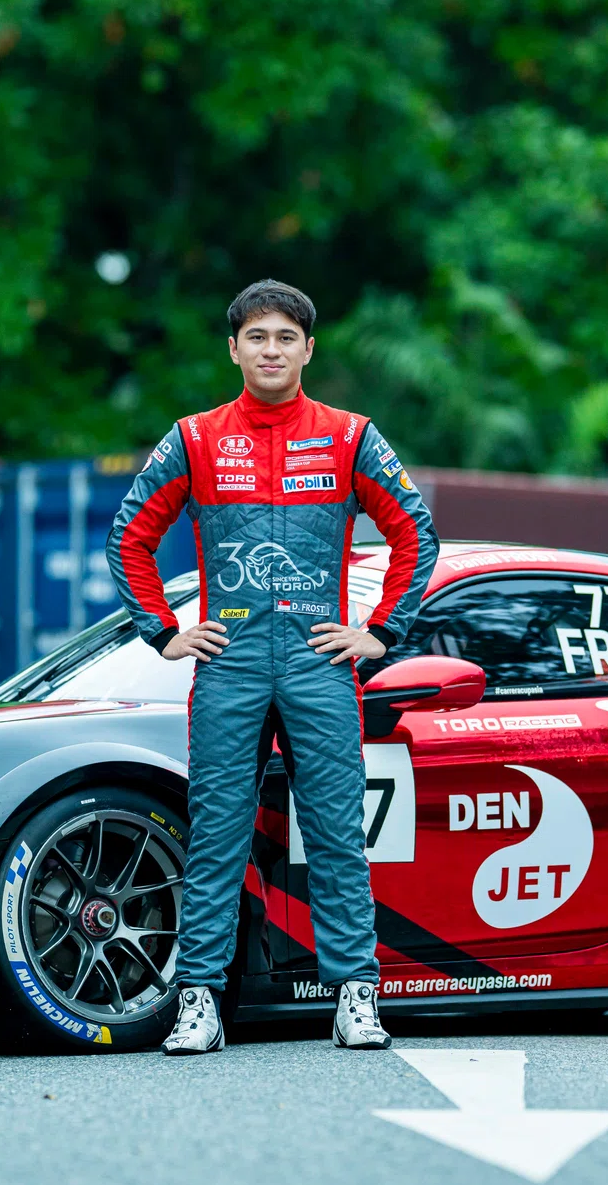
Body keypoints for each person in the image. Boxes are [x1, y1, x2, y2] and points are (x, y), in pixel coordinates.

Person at [107, 279, 439, 1055]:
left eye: (286, 337)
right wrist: (163, 633)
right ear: (234, 349)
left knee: (334, 833)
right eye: (257, 337)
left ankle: (356, 996)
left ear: (308, 349)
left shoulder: (351, 435)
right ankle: (200, 1001)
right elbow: (131, 532)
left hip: (318, 662)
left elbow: (413, 529)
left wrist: (382, 632)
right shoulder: (194, 438)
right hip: (228, 663)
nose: (271, 350)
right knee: (218, 832)